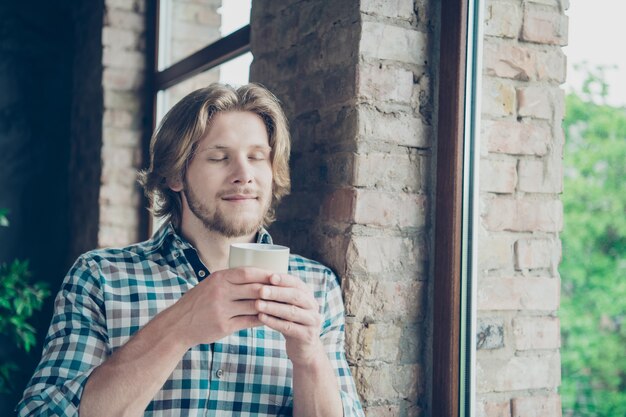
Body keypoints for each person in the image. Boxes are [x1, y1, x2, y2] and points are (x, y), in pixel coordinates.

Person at [17, 83, 364, 416]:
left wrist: (309, 356)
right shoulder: (99, 278)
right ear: (175, 175)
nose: (244, 175)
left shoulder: (317, 288)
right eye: (218, 158)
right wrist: (179, 326)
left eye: (257, 157)